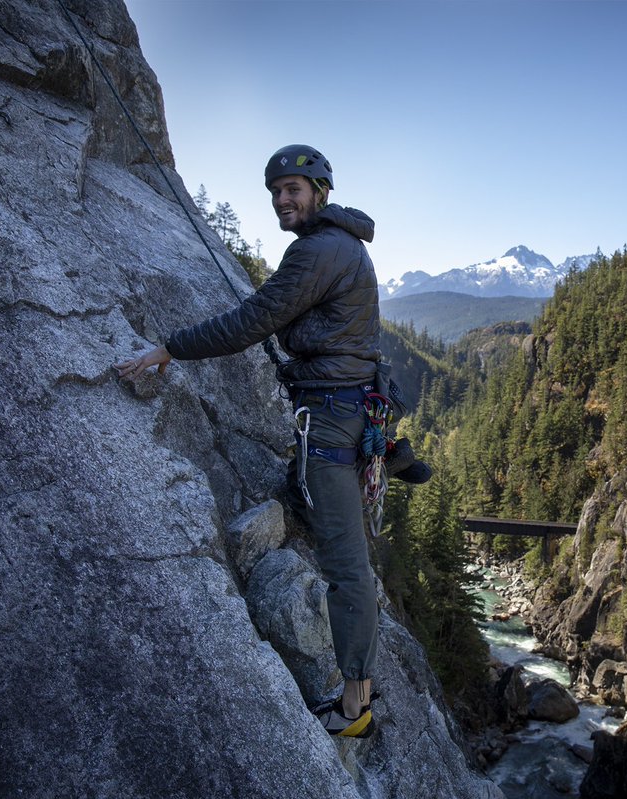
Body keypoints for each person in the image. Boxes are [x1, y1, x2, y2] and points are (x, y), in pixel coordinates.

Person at [115, 144, 382, 738]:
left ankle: (355, 706)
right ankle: (360, 685)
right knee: (344, 552)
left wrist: (166, 349)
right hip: (348, 411)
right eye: (276, 192)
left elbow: (247, 322)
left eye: (294, 190)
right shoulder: (342, 244)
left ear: (319, 193)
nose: (282, 201)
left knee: (346, 567)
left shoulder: (318, 251)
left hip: (331, 421)